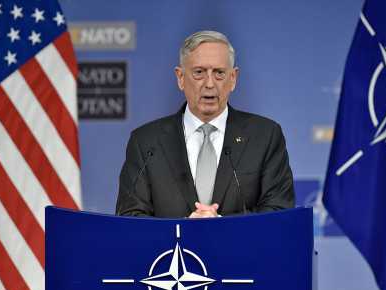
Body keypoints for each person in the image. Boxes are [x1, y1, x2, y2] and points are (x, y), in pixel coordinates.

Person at [116, 30, 294, 218]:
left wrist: (221, 225)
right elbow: (130, 216)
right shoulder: (145, 142)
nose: (209, 84)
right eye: (199, 73)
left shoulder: (265, 137)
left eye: (219, 73)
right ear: (180, 78)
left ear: (233, 78)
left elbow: (278, 211)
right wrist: (184, 230)